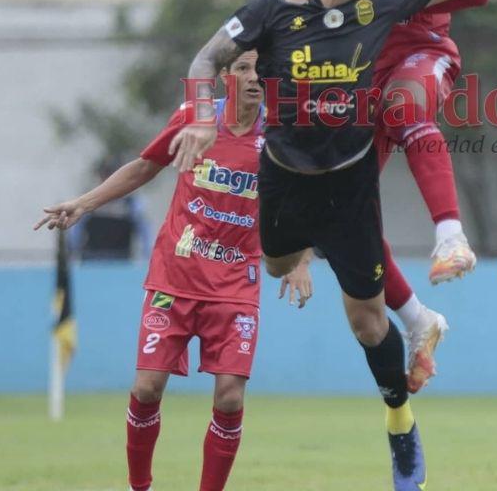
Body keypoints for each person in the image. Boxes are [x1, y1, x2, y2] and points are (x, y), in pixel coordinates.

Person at [171, 0, 497, 490]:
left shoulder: (382, 5)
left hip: (348, 186)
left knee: (369, 323)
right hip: (283, 175)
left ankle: (400, 421)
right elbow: (205, 59)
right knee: (276, 262)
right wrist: (201, 117)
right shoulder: (274, 3)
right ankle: (325, 263)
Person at [35, 51, 313, 491]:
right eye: (243, 67)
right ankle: (139, 486)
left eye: (263, 69)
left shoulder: (282, 135)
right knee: (147, 388)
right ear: (224, 77)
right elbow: (145, 166)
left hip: (237, 282)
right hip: (174, 277)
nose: (255, 76)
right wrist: (84, 203)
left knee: (229, 397)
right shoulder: (195, 119)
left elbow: (308, 198)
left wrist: (301, 260)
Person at [276, 0, 491, 392]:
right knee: (338, 218)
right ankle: (419, 318)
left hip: (418, 47)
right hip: (352, 60)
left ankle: (450, 237)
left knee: (407, 105)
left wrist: (386, 0)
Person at [68, 157, 153, 261]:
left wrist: (148, 259)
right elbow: (76, 231)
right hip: (91, 263)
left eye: (112, 176)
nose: (108, 180)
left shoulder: (132, 204)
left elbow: (145, 232)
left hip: (122, 264)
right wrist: (71, 254)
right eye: (105, 175)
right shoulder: (89, 201)